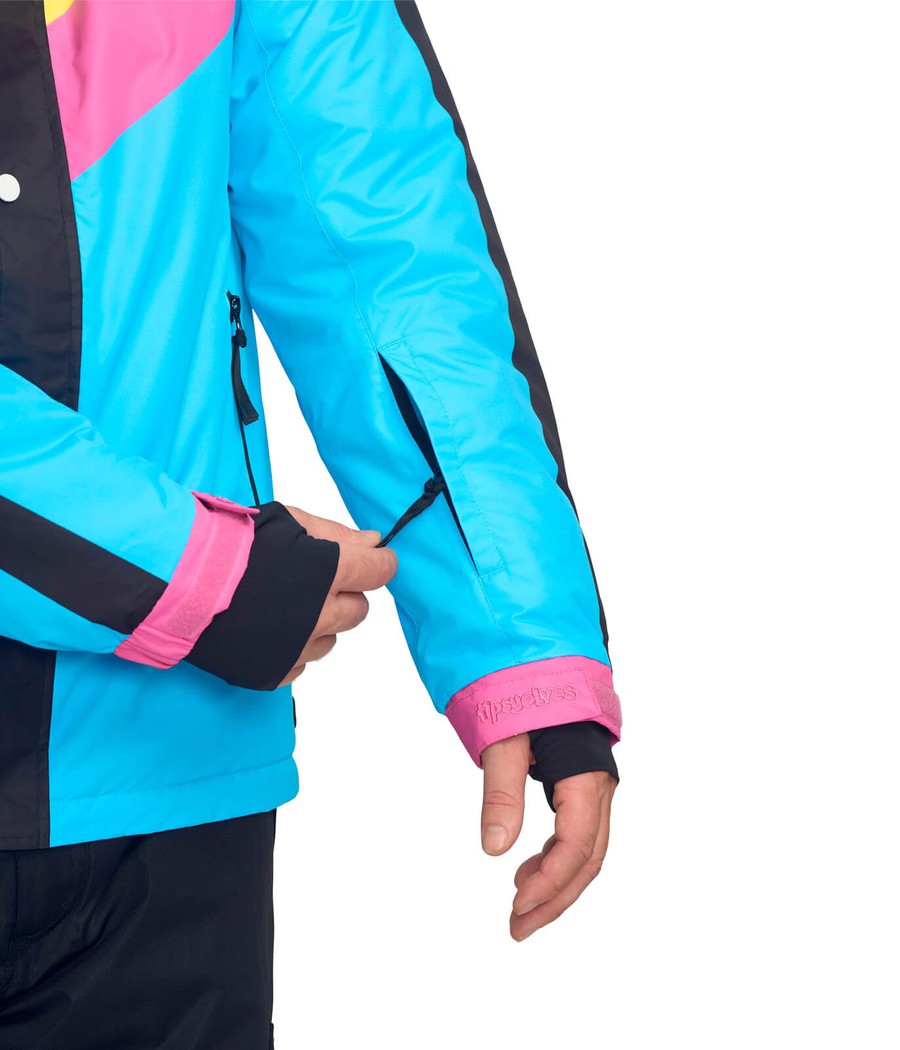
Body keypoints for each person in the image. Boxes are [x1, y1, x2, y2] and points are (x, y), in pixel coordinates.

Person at [0, 0, 623, 1045]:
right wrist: (198, 573)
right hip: (193, 683)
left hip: (166, 803)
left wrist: (520, 639)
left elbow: (381, 246)